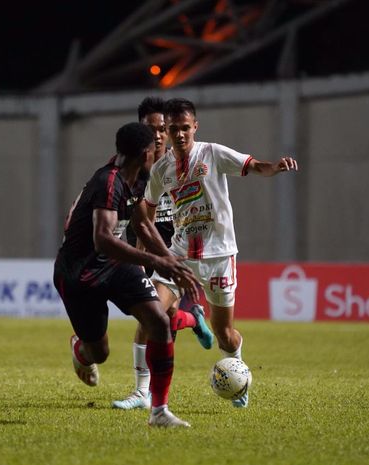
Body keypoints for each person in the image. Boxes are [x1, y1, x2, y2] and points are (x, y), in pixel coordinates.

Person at [144, 98, 299, 408]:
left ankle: (238, 375)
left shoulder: (212, 154)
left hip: (219, 256)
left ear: (195, 126)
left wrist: (275, 167)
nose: (179, 135)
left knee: (225, 335)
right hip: (180, 255)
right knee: (154, 316)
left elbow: (253, 166)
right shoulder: (162, 168)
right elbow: (147, 206)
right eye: (173, 129)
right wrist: (146, 246)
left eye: (185, 128)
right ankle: (152, 394)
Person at [53, 122, 199, 428]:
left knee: (158, 321)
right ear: (146, 153)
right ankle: (81, 349)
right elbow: (103, 239)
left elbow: (143, 224)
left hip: (115, 265)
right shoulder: (109, 182)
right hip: (81, 274)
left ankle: (158, 411)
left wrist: (168, 260)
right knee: (99, 353)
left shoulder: (137, 178)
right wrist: (155, 260)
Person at [113, 97, 214, 411]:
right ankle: (191, 319)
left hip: (174, 243)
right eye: (150, 129)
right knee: (161, 316)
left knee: (149, 315)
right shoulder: (130, 167)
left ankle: (142, 392)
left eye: (162, 129)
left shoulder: (177, 162)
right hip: (145, 241)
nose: (157, 135)